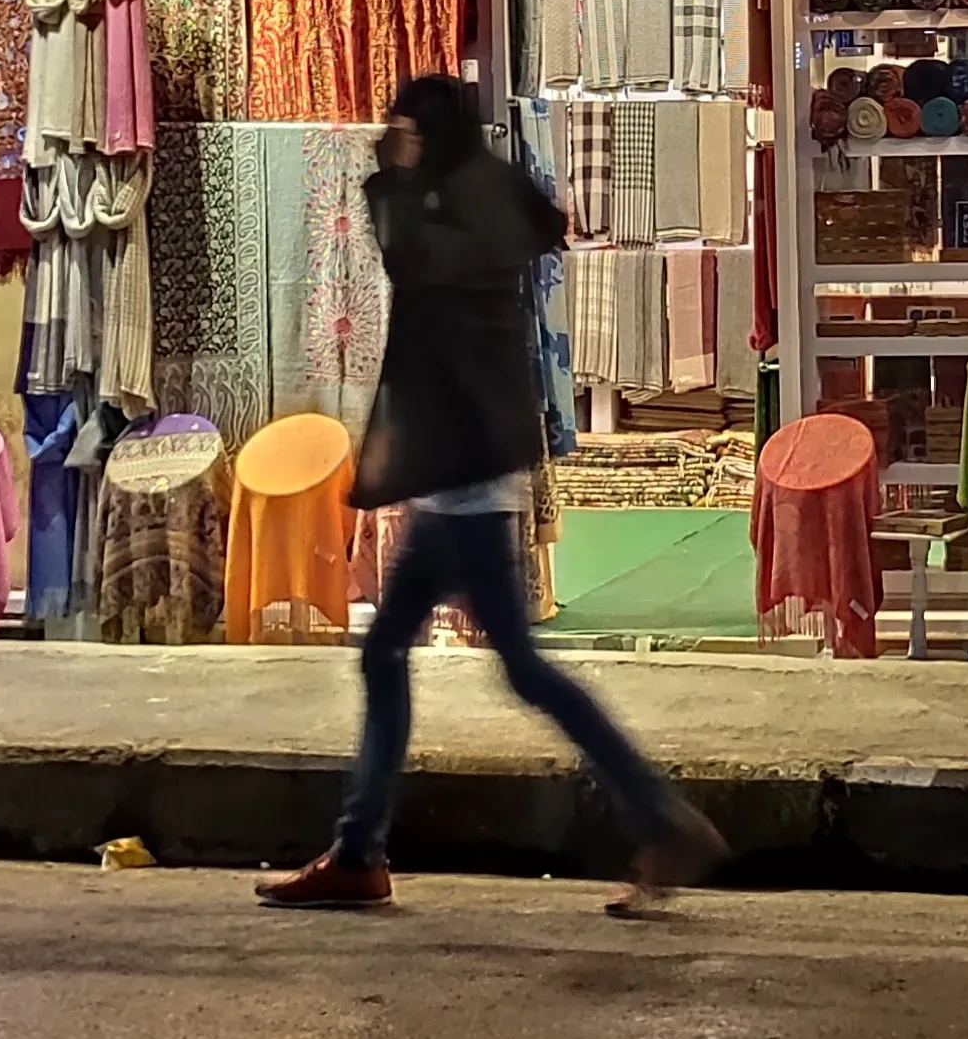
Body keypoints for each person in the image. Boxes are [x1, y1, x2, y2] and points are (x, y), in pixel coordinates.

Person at [261, 74, 722, 916]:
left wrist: (395, 180)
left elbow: (413, 266)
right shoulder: (482, 193)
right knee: (430, 657)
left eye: (402, 127)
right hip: (466, 471)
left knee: (510, 667)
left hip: (466, 481)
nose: (394, 141)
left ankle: (657, 817)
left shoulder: (452, 211)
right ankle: (360, 848)